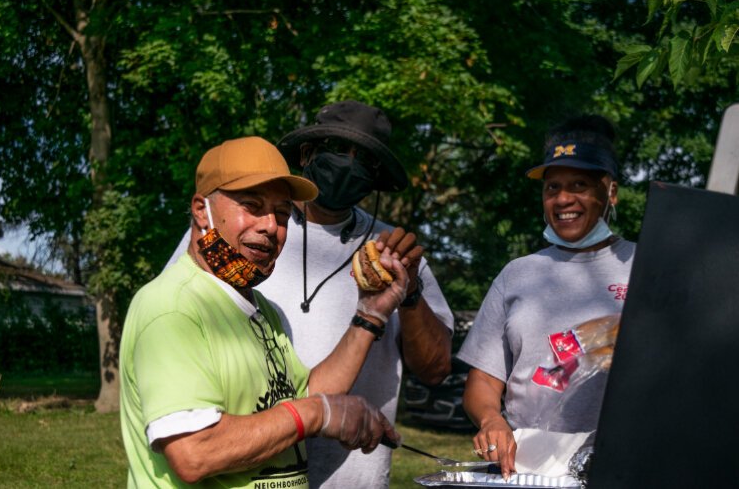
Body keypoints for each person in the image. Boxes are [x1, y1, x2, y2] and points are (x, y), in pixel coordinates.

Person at [166, 100, 454, 488]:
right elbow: (177, 322)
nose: (349, 165)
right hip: (244, 472)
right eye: (338, 150)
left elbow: (435, 369)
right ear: (307, 153)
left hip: (354, 477)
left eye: (365, 160)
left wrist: (410, 293)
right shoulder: (238, 235)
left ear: (376, 179)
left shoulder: (394, 255)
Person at [120, 136, 409, 488]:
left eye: (283, 213)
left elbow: (302, 398)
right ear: (201, 211)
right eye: (252, 205)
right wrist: (319, 413)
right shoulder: (173, 307)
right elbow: (194, 452)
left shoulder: (263, 311)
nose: (271, 226)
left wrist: (370, 314)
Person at [457, 115, 636, 479]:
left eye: (579, 185)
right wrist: (492, 419)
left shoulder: (644, 265)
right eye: (552, 187)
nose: (563, 198)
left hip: (623, 465)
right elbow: (484, 382)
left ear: (610, 192)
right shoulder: (517, 274)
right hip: (529, 468)